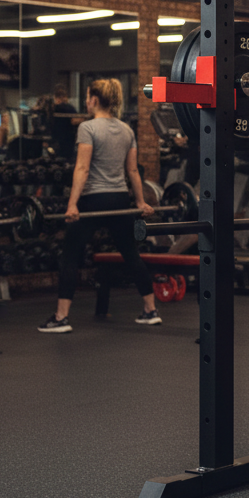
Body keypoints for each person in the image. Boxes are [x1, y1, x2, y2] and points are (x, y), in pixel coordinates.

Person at [38, 78, 159, 333]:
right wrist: (139, 202)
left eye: (87, 97)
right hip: (119, 199)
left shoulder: (87, 128)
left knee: (70, 255)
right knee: (131, 253)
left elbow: (82, 168)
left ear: (94, 99)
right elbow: (133, 171)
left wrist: (72, 205)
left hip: (93, 199)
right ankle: (150, 310)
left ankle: (61, 317)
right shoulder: (127, 130)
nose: (85, 102)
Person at [50, 85, 79, 160]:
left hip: (54, 138)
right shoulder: (69, 108)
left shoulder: (52, 108)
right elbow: (74, 121)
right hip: (68, 139)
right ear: (65, 97)